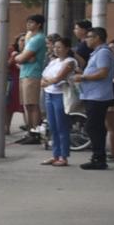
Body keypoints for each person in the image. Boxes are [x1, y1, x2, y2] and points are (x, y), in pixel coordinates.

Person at [74, 28, 114, 170]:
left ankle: (98, 157)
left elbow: (103, 73)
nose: (86, 40)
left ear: (97, 38)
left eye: (89, 37)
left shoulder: (103, 52)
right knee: (96, 126)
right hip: (92, 94)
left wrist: (83, 77)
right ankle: (98, 156)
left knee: (93, 126)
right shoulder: (97, 53)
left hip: (97, 96)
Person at [39, 36, 77, 167]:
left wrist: (50, 81)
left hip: (61, 95)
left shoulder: (70, 61)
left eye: (59, 47)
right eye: (55, 47)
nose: (56, 49)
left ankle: (63, 156)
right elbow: (43, 78)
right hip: (49, 94)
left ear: (67, 48)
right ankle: (55, 154)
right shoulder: (53, 62)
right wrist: (49, 81)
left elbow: (58, 78)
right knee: (53, 127)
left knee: (62, 126)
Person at [16, 15, 48, 144]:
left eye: (31, 22)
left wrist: (20, 57)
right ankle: (30, 131)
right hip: (25, 73)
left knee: (32, 104)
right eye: (28, 22)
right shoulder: (30, 38)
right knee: (27, 105)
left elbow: (21, 58)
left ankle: (35, 132)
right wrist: (22, 56)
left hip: (33, 74)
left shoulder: (38, 38)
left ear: (39, 24)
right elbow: (23, 55)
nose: (28, 24)